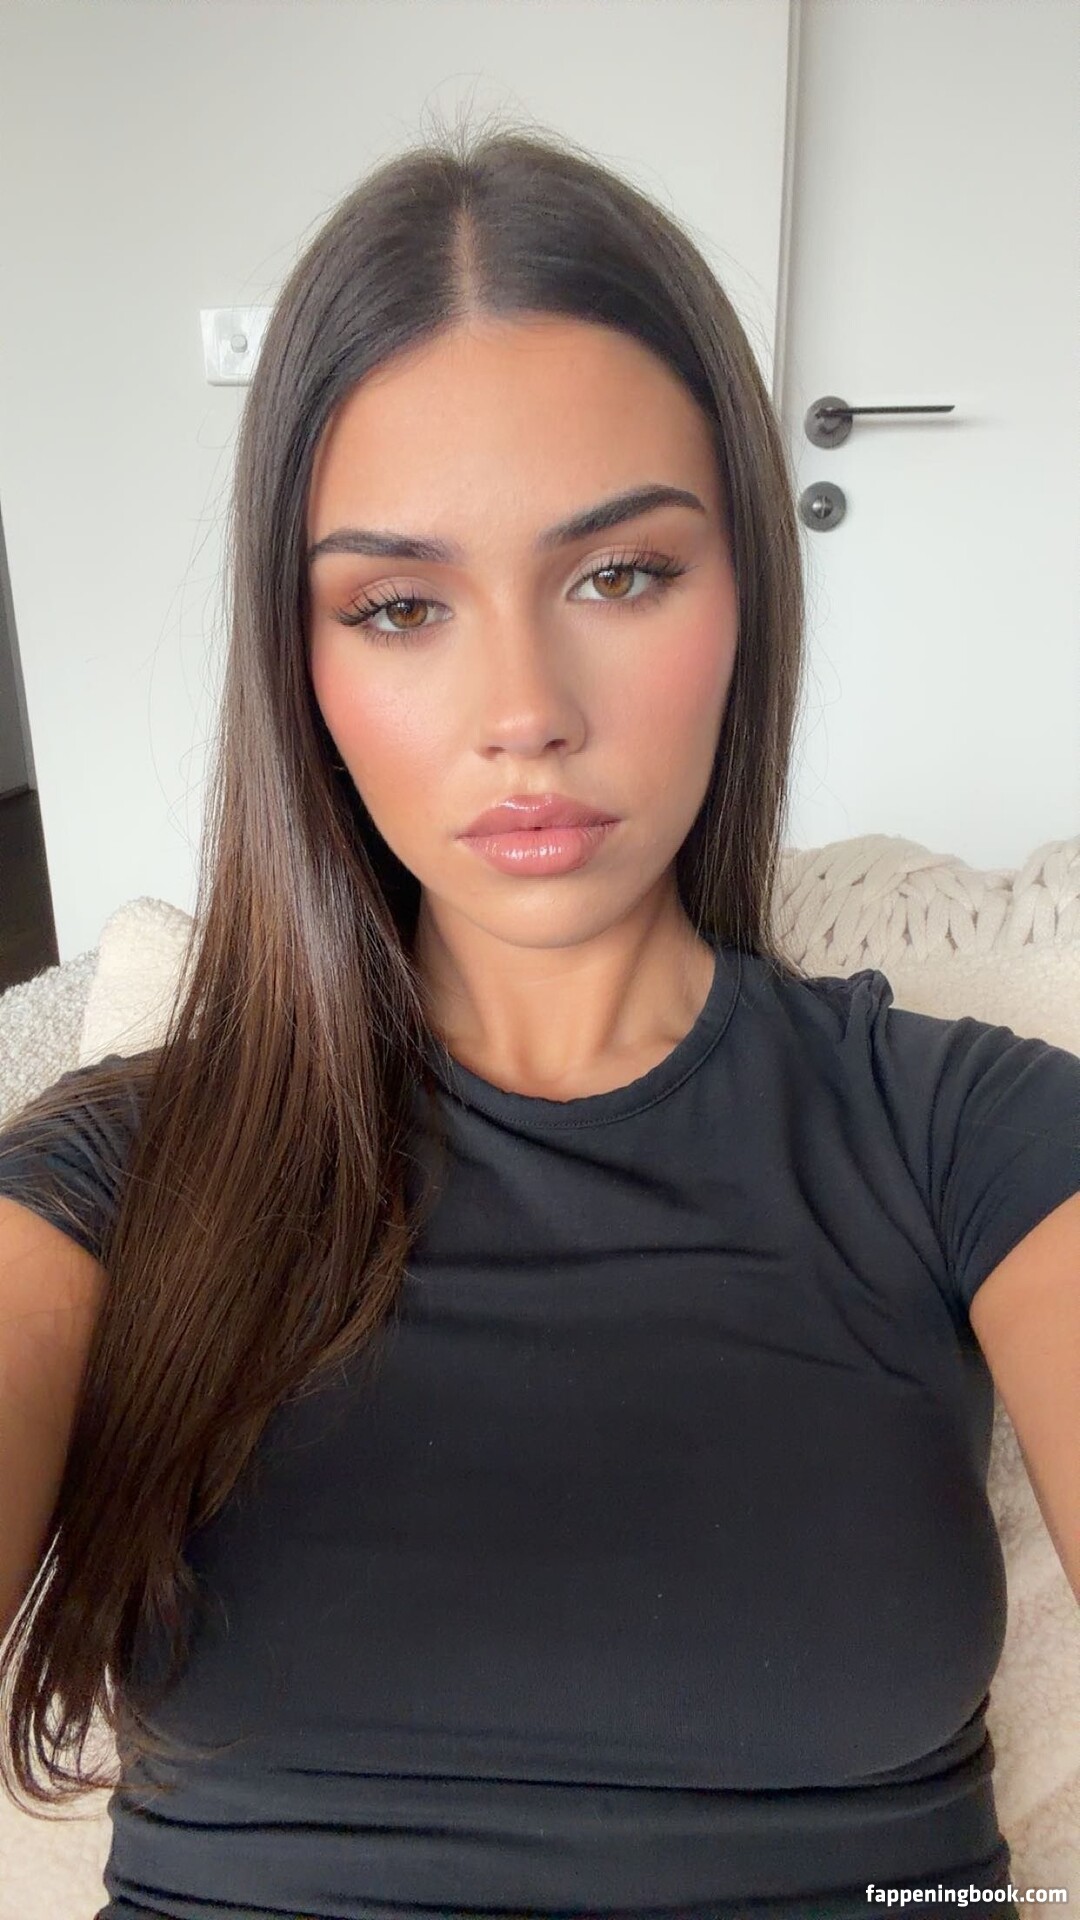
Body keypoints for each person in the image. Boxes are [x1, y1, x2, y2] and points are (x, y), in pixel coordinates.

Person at [1, 107, 1076, 1920]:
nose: (525, 710)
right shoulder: (117, 1173)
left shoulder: (974, 1136)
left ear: (749, 591)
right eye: (400, 605)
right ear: (299, 660)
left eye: (618, 574)